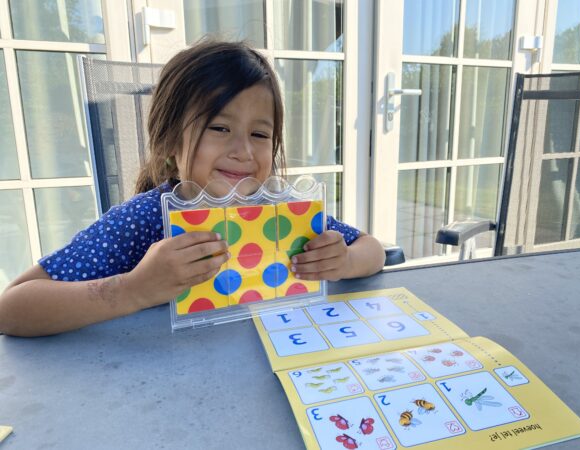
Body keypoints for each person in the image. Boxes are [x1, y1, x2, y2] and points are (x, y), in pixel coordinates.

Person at [0, 39, 385, 337]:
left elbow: (371, 248)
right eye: (219, 128)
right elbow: (13, 307)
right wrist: (135, 289)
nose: (243, 151)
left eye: (260, 133)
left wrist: (344, 262)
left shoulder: (281, 212)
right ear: (170, 143)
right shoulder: (144, 221)